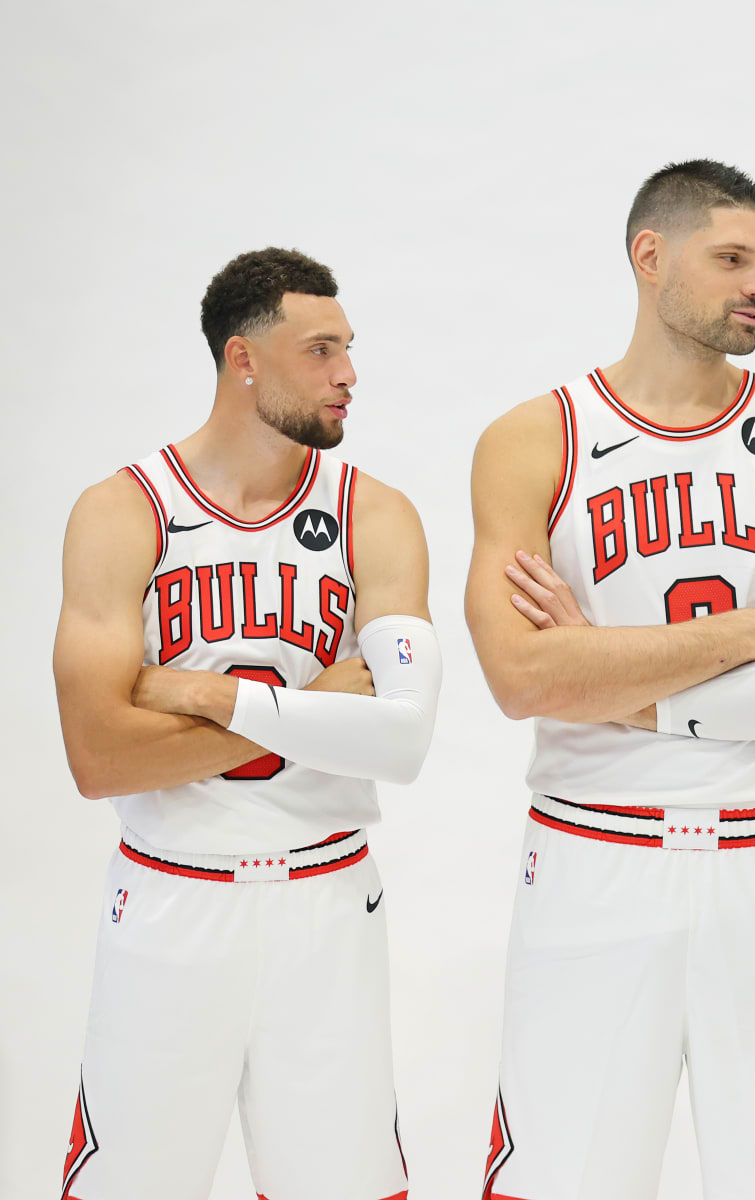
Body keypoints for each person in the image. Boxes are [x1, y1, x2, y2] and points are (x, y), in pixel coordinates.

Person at [465, 159, 755, 1200]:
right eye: (734, 258)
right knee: (564, 1179)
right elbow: (522, 678)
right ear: (649, 259)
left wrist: (617, 683)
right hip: (593, 858)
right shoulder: (535, 438)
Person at [52, 247, 439, 1200]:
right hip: (170, 900)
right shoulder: (121, 511)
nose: (348, 373)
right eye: (320, 351)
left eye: (349, 349)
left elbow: (402, 739)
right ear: (244, 359)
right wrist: (314, 712)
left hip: (327, 899)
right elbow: (99, 758)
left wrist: (207, 694)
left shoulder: (375, 515)